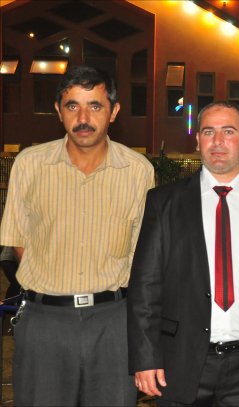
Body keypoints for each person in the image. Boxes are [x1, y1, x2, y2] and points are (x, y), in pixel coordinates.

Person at [0, 65, 155, 406]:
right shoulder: (29, 165)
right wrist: (56, 285)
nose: (83, 118)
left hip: (113, 323)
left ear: (113, 111)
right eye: (73, 105)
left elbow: (141, 251)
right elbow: (18, 240)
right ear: (59, 111)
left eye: (95, 105)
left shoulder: (138, 171)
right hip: (44, 323)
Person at [127, 101, 239, 406]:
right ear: (197, 140)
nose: (218, 141)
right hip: (180, 363)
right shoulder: (163, 202)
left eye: (228, 131)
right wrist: (145, 357)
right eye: (208, 132)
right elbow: (145, 287)